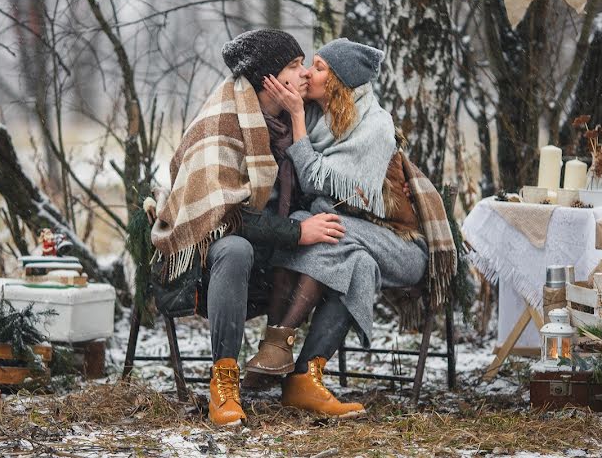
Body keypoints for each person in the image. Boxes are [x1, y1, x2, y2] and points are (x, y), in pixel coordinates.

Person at [246, 38, 456, 416]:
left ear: (341, 82)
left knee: (322, 226)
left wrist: (296, 118)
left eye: (320, 67)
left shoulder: (374, 126)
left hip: (403, 246)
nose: (309, 72)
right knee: (355, 262)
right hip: (353, 241)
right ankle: (304, 378)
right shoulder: (317, 116)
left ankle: (277, 341)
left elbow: (314, 182)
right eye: (309, 64)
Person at [149, 29, 347, 428]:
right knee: (235, 246)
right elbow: (227, 216)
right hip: (200, 269)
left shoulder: (289, 122)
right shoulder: (220, 124)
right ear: (269, 79)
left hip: (265, 264)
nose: (305, 73)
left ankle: (303, 377)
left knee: (345, 250)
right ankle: (224, 382)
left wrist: (315, 225)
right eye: (294, 66)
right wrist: (297, 233)